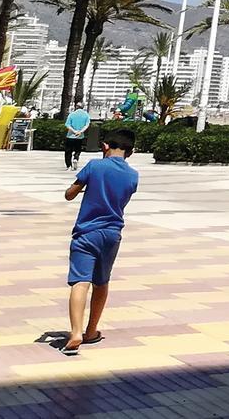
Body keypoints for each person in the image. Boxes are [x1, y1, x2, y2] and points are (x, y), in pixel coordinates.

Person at [59, 129, 139, 356]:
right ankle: (91, 330)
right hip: (112, 234)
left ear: (105, 147)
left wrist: (81, 188)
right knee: (101, 282)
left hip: (87, 233)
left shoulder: (94, 166)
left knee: (80, 282)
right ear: (131, 152)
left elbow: (69, 194)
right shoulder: (133, 175)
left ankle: (76, 333)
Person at [63, 105, 92, 171]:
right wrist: (80, 132)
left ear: (76, 107)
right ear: (83, 107)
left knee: (68, 151)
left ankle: (69, 166)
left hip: (70, 136)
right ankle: (76, 158)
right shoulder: (86, 115)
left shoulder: (72, 114)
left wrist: (74, 131)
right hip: (80, 136)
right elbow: (87, 125)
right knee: (78, 150)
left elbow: (67, 124)